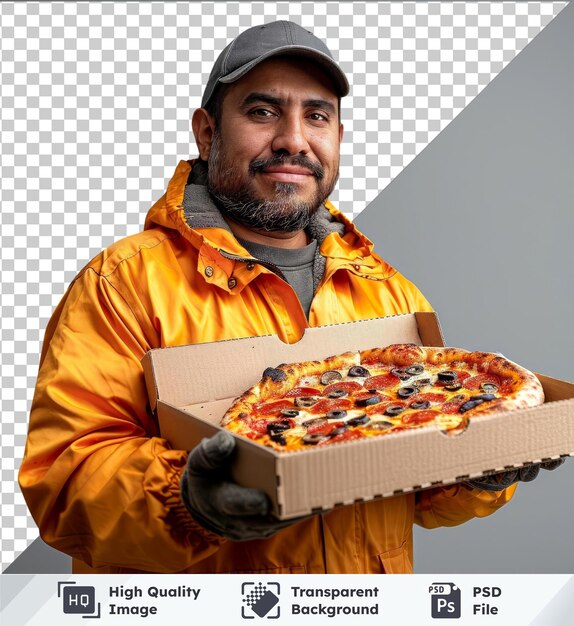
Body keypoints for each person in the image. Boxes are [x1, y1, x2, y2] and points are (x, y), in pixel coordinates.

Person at [18, 20, 560, 575]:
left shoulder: (389, 292)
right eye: (262, 112)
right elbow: (63, 482)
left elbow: (414, 483)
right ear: (207, 133)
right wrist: (188, 502)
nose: (294, 140)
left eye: (317, 116)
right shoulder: (123, 284)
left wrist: (476, 471)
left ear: (339, 139)